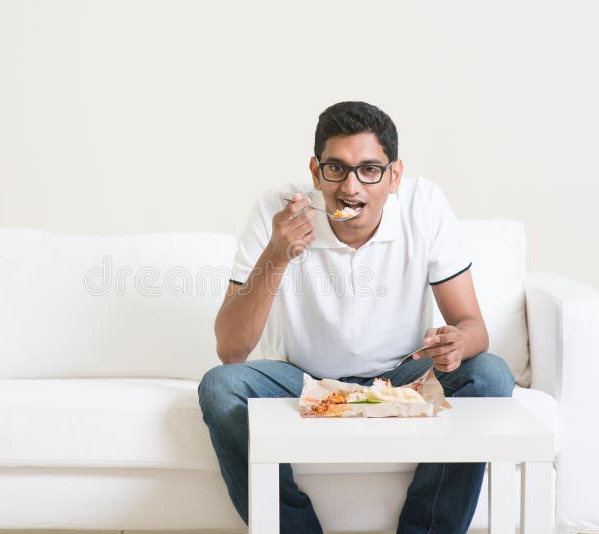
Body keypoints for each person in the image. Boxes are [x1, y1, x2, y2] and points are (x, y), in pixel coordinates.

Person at [197, 101, 515, 534]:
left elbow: (474, 327)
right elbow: (230, 352)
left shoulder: (424, 206)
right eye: (336, 169)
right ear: (315, 172)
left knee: (491, 375)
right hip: (303, 382)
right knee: (220, 387)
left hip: (400, 379)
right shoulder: (278, 212)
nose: (351, 187)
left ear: (394, 176)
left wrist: (458, 343)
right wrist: (276, 253)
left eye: (369, 170)